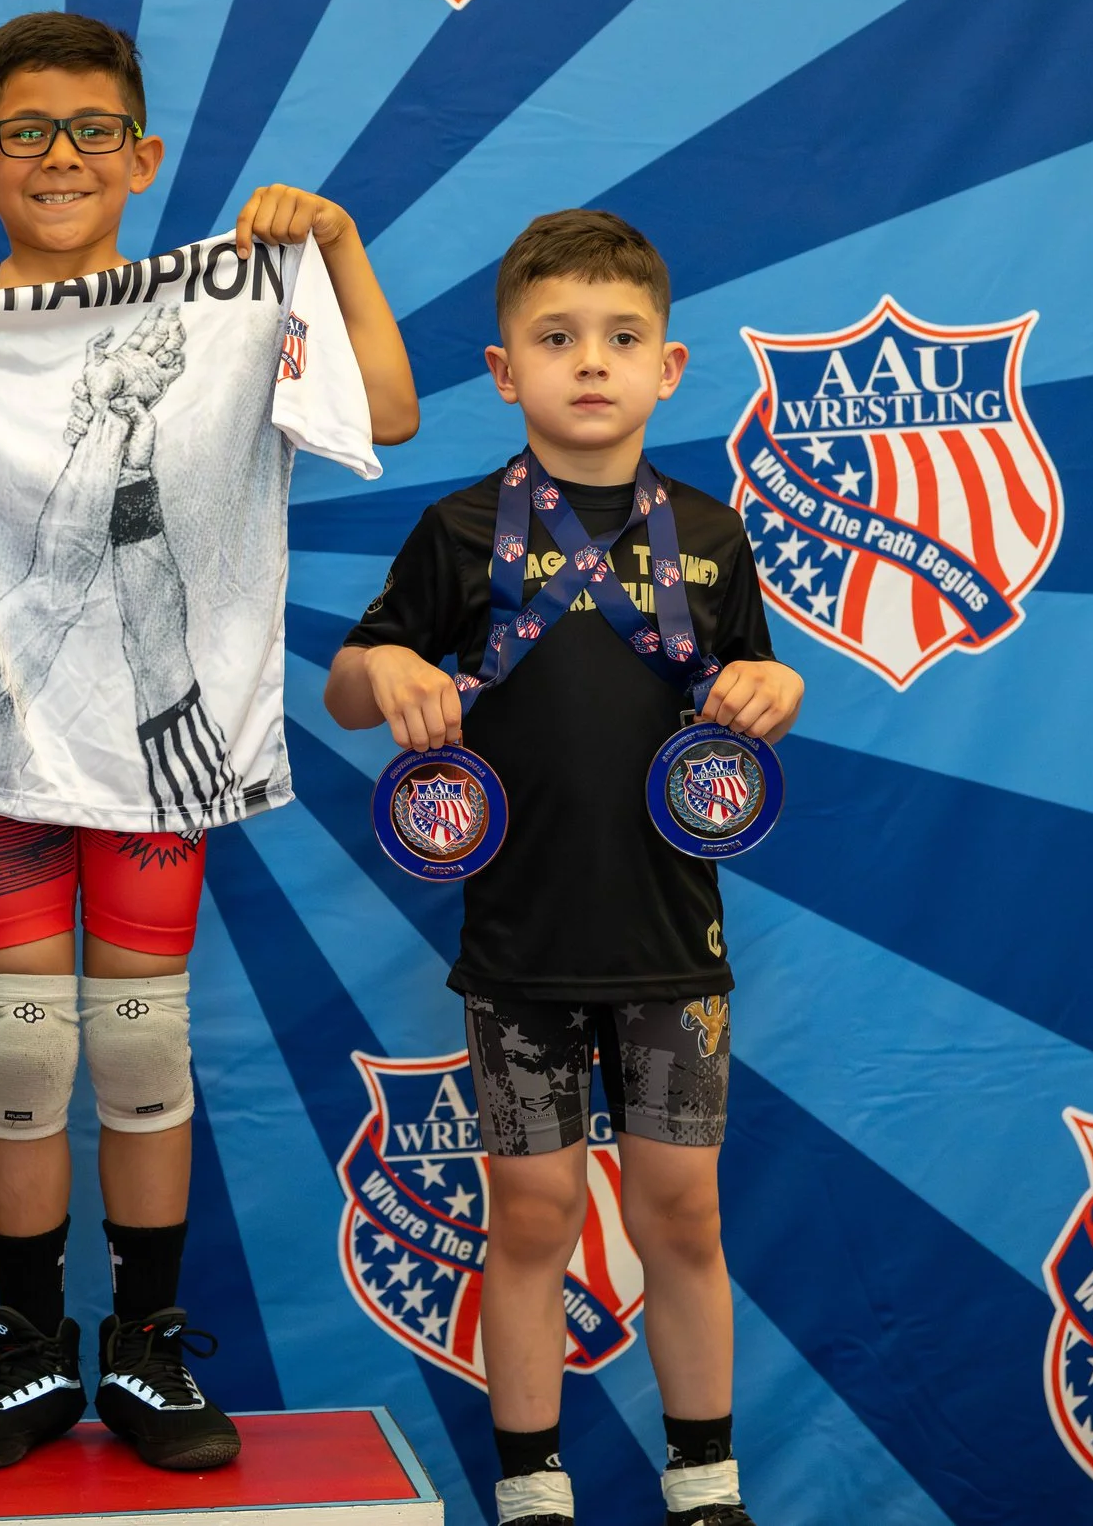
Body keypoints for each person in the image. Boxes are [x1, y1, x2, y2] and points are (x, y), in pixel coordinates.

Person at [0, 11, 419, 1474]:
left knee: (144, 1041)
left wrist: (333, 249)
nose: (62, 157)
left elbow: (389, 409)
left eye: (95, 130)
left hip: (162, 753)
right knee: (24, 1061)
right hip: (2, 749)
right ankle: (31, 1349)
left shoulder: (222, 302)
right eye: (25, 132)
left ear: (144, 157)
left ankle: (144, 1343)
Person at [323, 210, 802, 1526]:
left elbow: (749, 692)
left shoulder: (710, 536)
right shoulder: (461, 531)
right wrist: (396, 666)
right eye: (556, 337)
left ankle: (706, 1486)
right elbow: (352, 684)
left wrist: (778, 680)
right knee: (531, 1219)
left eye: (620, 337)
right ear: (503, 369)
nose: (588, 362)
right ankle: (532, 1487)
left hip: (669, 940)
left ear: (670, 367)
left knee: (682, 1218)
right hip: (522, 945)